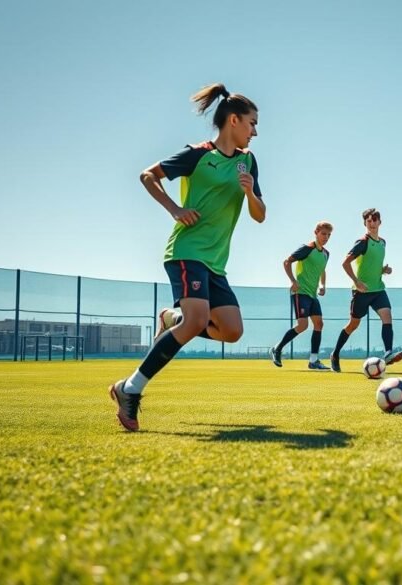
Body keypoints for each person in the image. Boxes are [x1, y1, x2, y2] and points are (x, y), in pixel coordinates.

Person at [108, 83, 265, 432]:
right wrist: (174, 209)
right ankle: (129, 389)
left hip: (215, 263)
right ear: (234, 120)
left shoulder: (248, 162)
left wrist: (250, 191)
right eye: (252, 123)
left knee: (232, 331)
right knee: (195, 321)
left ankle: (172, 317)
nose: (255, 131)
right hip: (186, 252)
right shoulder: (198, 154)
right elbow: (148, 175)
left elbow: (259, 215)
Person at [328, 208, 402, 372]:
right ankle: (335, 354)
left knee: (387, 316)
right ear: (365, 223)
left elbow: (373, 264)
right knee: (353, 324)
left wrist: (383, 269)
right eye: (368, 221)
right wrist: (356, 282)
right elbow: (345, 263)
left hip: (378, 290)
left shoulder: (383, 242)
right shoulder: (362, 242)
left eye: (375, 220)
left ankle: (388, 352)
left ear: (380, 222)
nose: (372, 223)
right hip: (361, 292)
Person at [270, 221, 333, 369]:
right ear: (316, 232)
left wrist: (323, 286)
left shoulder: (325, 254)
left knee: (319, 324)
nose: (326, 237)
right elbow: (287, 262)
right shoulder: (307, 248)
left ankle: (313, 360)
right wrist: (292, 280)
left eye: (328, 235)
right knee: (303, 325)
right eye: (323, 233)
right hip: (300, 292)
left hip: (312, 295)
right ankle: (277, 349)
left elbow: (322, 270)